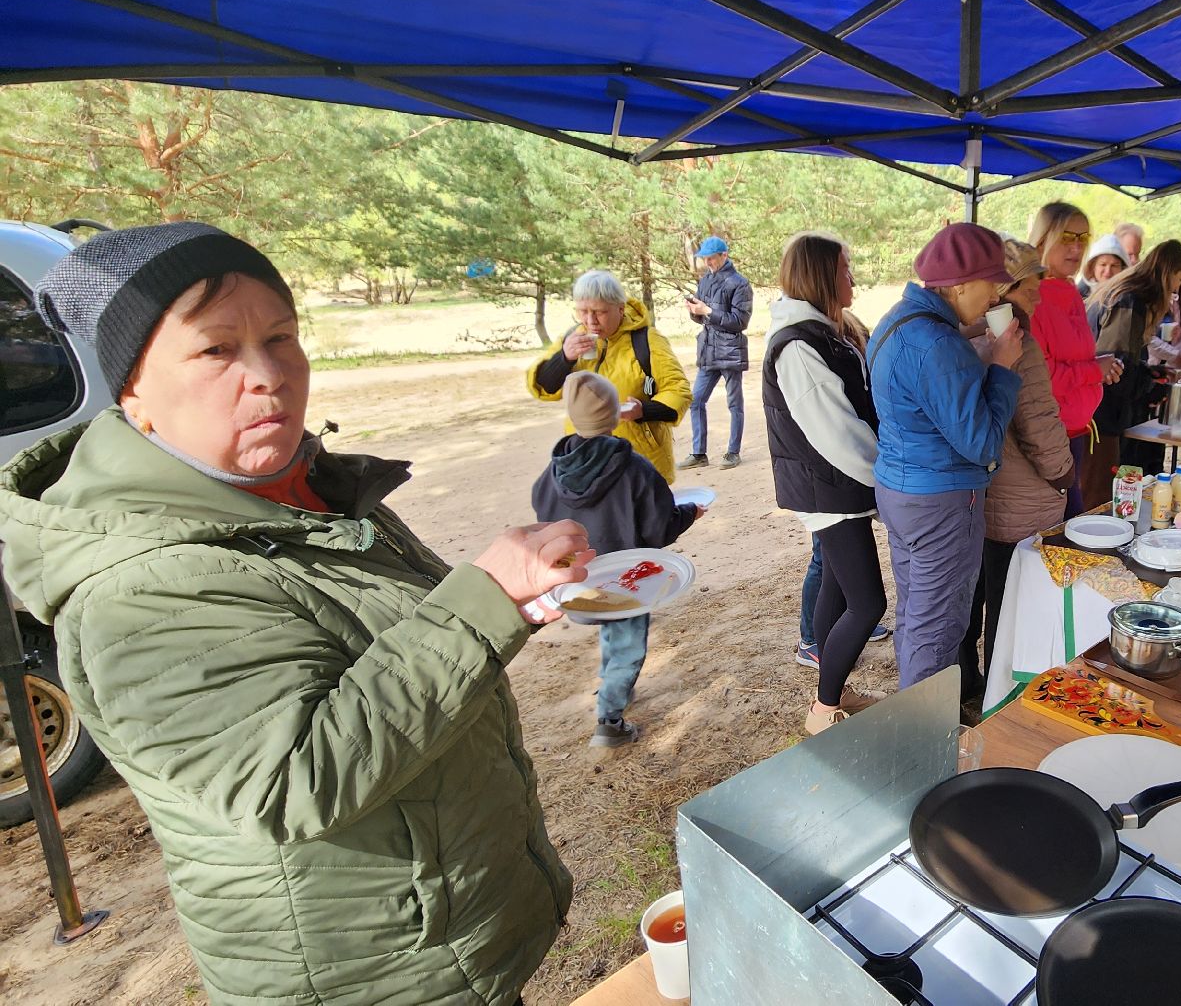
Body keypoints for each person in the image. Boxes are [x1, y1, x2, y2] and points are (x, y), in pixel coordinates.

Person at [0, 222, 580, 1003]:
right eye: (215, 349)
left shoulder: (291, 489)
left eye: (281, 337)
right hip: (360, 980)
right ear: (132, 391)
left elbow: (388, 644)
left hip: (439, 940)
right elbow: (291, 781)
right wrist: (482, 604)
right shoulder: (138, 589)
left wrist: (513, 599)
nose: (268, 375)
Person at [869, 223, 1023, 688]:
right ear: (958, 285)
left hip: (899, 489)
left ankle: (913, 707)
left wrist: (975, 346)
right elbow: (982, 443)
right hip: (942, 502)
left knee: (916, 612)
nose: (996, 295)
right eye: (990, 283)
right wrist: (1002, 368)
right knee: (937, 629)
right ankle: (923, 725)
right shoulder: (940, 345)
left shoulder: (897, 320)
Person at [533, 371, 704, 748]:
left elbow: (544, 519)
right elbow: (660, 526)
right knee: (627, 642)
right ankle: (609, 720)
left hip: (580, 579)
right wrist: (690, 512)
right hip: (628, 580)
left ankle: (614, 687)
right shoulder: (633, 468)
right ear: (615, 415)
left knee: (611, 631)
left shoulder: (553, 472)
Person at [763, 232, 891, 733]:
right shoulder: (798, 344)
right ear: (820, 276)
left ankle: (833, 690)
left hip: (836, 486)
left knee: (837, 593)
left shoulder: (821, 332)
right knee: (868, 602)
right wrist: (885, 479)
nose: (851, 277)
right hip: (829, 488)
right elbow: (836, 431)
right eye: (844, 269)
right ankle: (823, 710)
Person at [961, 240, 1075, 705]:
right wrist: (1063, 474)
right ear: (1004, 288)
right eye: (1031, 286)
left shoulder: (963, 331)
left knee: (972, 597)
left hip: (978, 495)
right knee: (1008, 607)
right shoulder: (1013, 336)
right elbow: (1036, 419)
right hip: (1020, 496)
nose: (1038, 296)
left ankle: (965, 684)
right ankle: (998, 696)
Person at [529, 269, 691, 482]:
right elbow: (543, 388)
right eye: (583, 312)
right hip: (586, 460)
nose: (590, 321)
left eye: (599, 312)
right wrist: (564, 358)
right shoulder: (572, 338)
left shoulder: (647, 340)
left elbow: (678, 390)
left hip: (639, 463)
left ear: (620, 309)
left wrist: (643, 411)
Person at [1027, 202, 1121, 515]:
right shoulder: (1033, 296)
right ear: (1043, 240)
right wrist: (1094, 370)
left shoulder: (1069, 291)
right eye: (1067, 237)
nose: (1077, 247)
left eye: (1083, 237)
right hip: (1049, 436)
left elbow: (1074, 358)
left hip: (1076, 430)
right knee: (1061, 523)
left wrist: (1102, 365)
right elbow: (1041, 377)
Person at [1086, 241, 1181, 506]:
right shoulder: (1130, 300)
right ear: (1167, 273)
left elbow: (1121, 360)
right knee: (1101, 495)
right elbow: (1115, 369)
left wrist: (1151, 372)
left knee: (1113, 490)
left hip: (1103, 412)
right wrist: (1151, 386)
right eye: (1178, 279)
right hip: (1101, 416)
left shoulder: (1126, 293)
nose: (1177, 288)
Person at [682, 235, 753, 470]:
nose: (708, 262)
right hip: (708, 350)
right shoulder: (705, 281)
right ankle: (698, 453)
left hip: (730, 351)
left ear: (724, 255)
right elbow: (702, 318)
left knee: (734, 404)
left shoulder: (740, 284)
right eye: (705, 259)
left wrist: (708, 311)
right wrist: (694, 310)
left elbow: (740, 321)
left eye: (711, 258)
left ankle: (733, 452)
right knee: (695, 401)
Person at [1075, 232, 1131, 300]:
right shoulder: (1079, 294)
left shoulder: (1129, 296)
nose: (1108, 271)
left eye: (1114, 265)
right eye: (1103, 264)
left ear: (1122, 268)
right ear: (1093, 267)